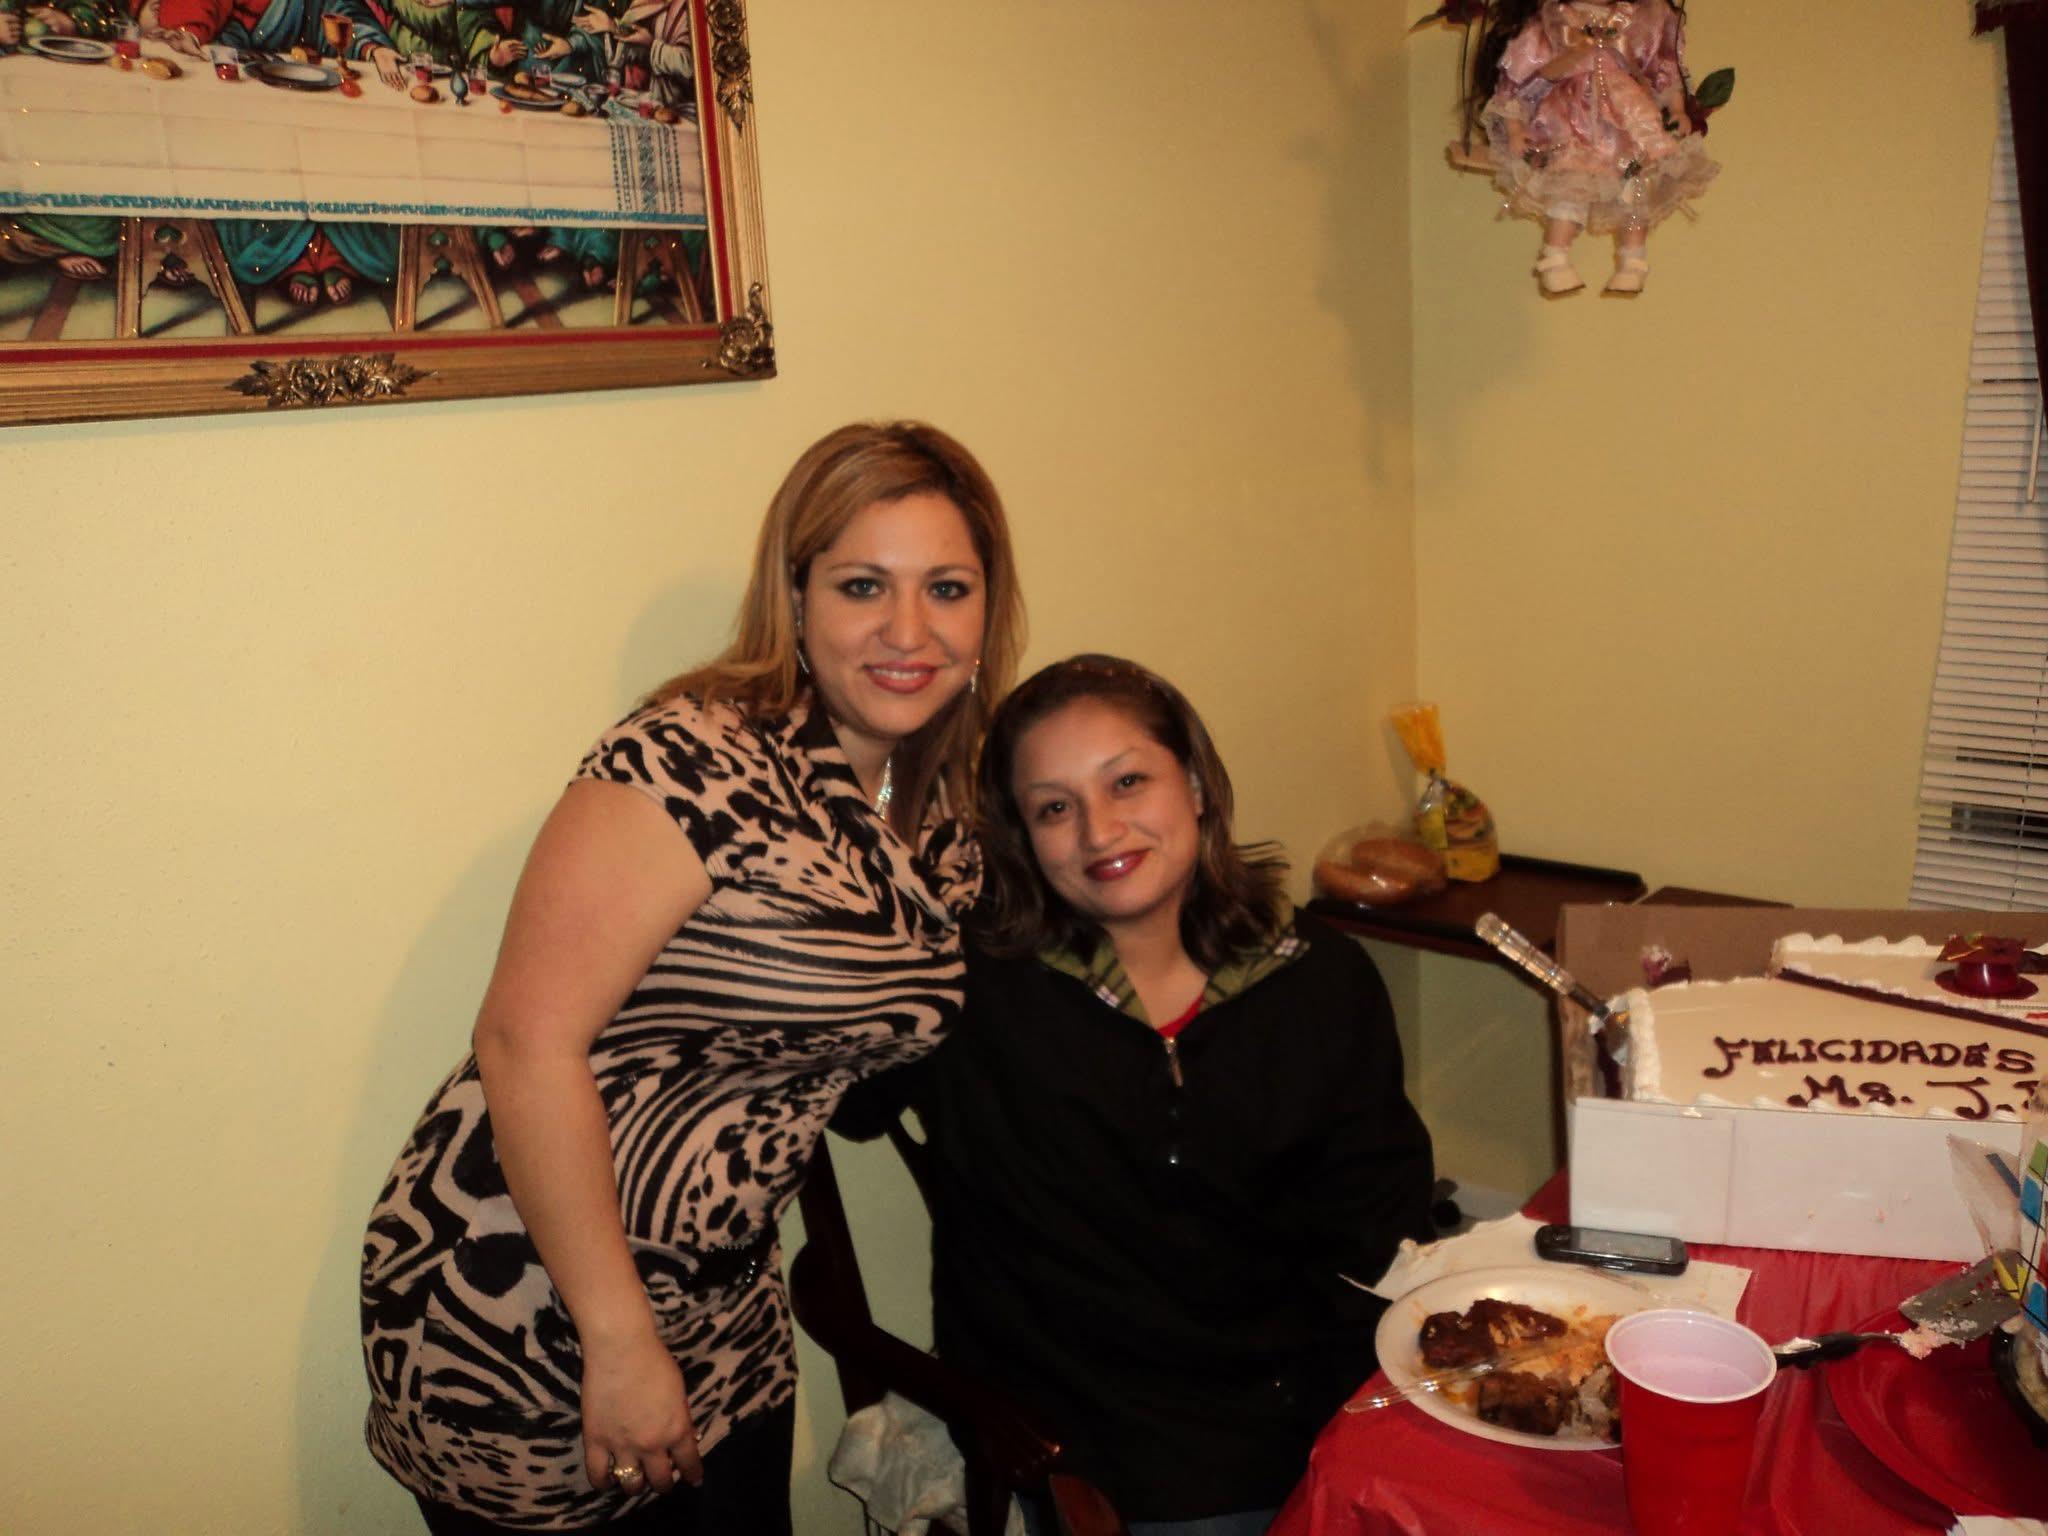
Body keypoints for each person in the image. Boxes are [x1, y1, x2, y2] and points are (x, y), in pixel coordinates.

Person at [359, 421, 1026, 1535]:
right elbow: (526, 1042)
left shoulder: (946, 800)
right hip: (527, 1291)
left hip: (725, 1295)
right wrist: (617, 1340)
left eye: (946, 589)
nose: (907, 631)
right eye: (864, 585)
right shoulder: (694, 756)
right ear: (796, 594)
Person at [882, 655, 1435, 1534]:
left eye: (1128, 781)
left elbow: (1383, 1209)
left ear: (1199, 787)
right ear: (1021, 838)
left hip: (1311, 1401)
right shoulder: (971, 996)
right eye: (1054, 808)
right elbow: (829, 1080)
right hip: (1107, 1442)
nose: (1100, 831)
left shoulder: (1318, 979)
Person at [1469, 0, 1717, 296]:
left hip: (1628, 114)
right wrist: (1515, 127)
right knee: (1570, 184)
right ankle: (1555, 258)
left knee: (1634, 186)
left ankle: (1633, 261)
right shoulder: (1554, 18)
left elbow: (1663, 70)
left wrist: (1676, 109)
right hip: (1569, 115)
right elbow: (1519, 77)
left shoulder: (1642, 17)